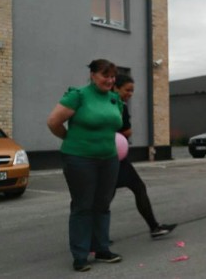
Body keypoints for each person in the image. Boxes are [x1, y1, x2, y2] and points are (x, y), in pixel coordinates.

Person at [47, 59, 124, 272]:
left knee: (103, 204)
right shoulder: (78, 95)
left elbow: (115, 126)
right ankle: (80, 255)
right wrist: (71, 139)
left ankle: (101, 249)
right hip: (79, 159)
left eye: (112, 76)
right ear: (92, 75)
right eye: (104, 76)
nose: (110, 80)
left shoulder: (114, 99)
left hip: (109, 158)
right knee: (83, 206)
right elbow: (53, 121)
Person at [112, 74, 177, 238]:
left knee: (134, 189)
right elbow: (125, 130)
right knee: (113, 194)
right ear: (116, 87)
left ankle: (154, 227)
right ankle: (94, 239)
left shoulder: (116, 104)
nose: (130, 93)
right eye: (127, 90)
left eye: (132, 90)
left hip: (118, 157)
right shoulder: (117, 105)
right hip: (111, 156)